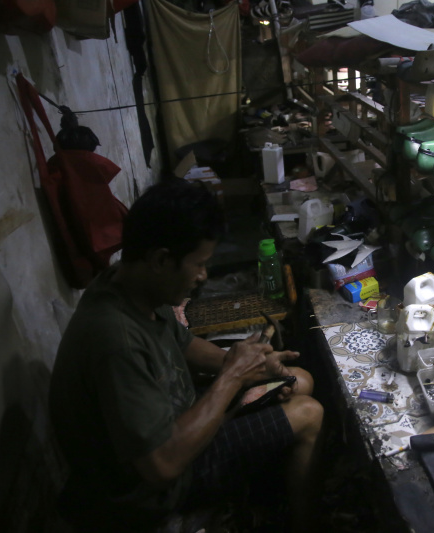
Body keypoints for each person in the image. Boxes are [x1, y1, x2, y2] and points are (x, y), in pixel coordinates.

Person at [49, 178, 323, 532]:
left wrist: (249, 366)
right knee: (309, 414)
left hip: (181, 420)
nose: (203, 276)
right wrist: (232, 378)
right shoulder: (116, 342)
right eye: (199, 265)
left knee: (299, 379)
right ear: (161, 259)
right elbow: (162, 465)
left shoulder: (130, 285)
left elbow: (183, 343)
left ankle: (268, 498)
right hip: (153, 489)